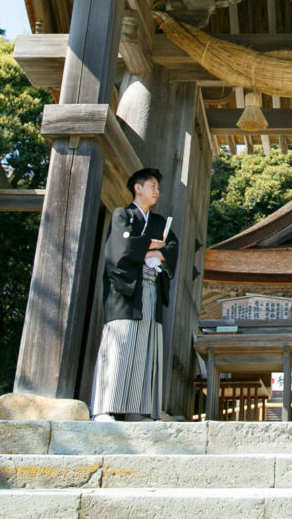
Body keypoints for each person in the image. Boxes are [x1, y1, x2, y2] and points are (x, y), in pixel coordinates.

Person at [92, 167, 179, 421]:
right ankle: (104, 409)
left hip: (151, 289)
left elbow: (172, 248)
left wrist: (152, 252)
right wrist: (150, 245)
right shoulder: (123, 215)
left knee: (144, 349)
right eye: (152, 186)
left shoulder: (160, 222)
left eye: (158, 187)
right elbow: (122, 247)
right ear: (137, 188)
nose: (157, 191)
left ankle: (136, 409)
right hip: (126, 291)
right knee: (119, 347)